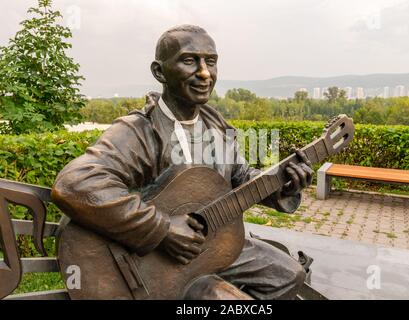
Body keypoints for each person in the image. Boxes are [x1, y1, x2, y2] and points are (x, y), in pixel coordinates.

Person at [51, 25, 314, 300]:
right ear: (159, 72)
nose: (204, 73)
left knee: (288, 274)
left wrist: (282, 185)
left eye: (210, 61)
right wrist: (161, 228)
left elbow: (242, 176)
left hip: (214, 244)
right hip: (155, 260)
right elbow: (74, 183)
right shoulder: (139, 131)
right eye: (190, 60)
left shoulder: (217, 128)